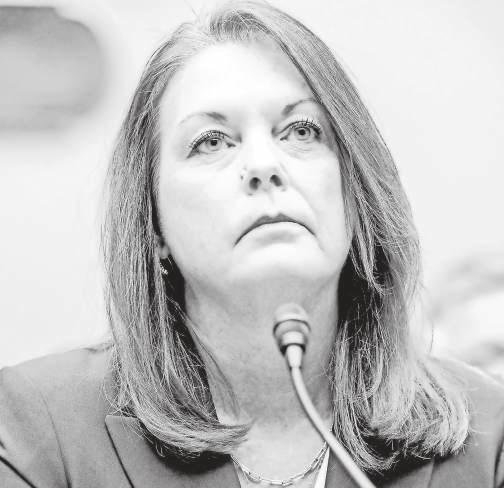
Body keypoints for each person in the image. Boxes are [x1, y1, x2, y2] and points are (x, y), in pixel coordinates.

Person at [1, 1, 503, 487]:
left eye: (301, 130)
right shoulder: (36, 429)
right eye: (211, 141)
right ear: (152, 223)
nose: (264, 165)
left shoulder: (488, 435)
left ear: (356, 193)